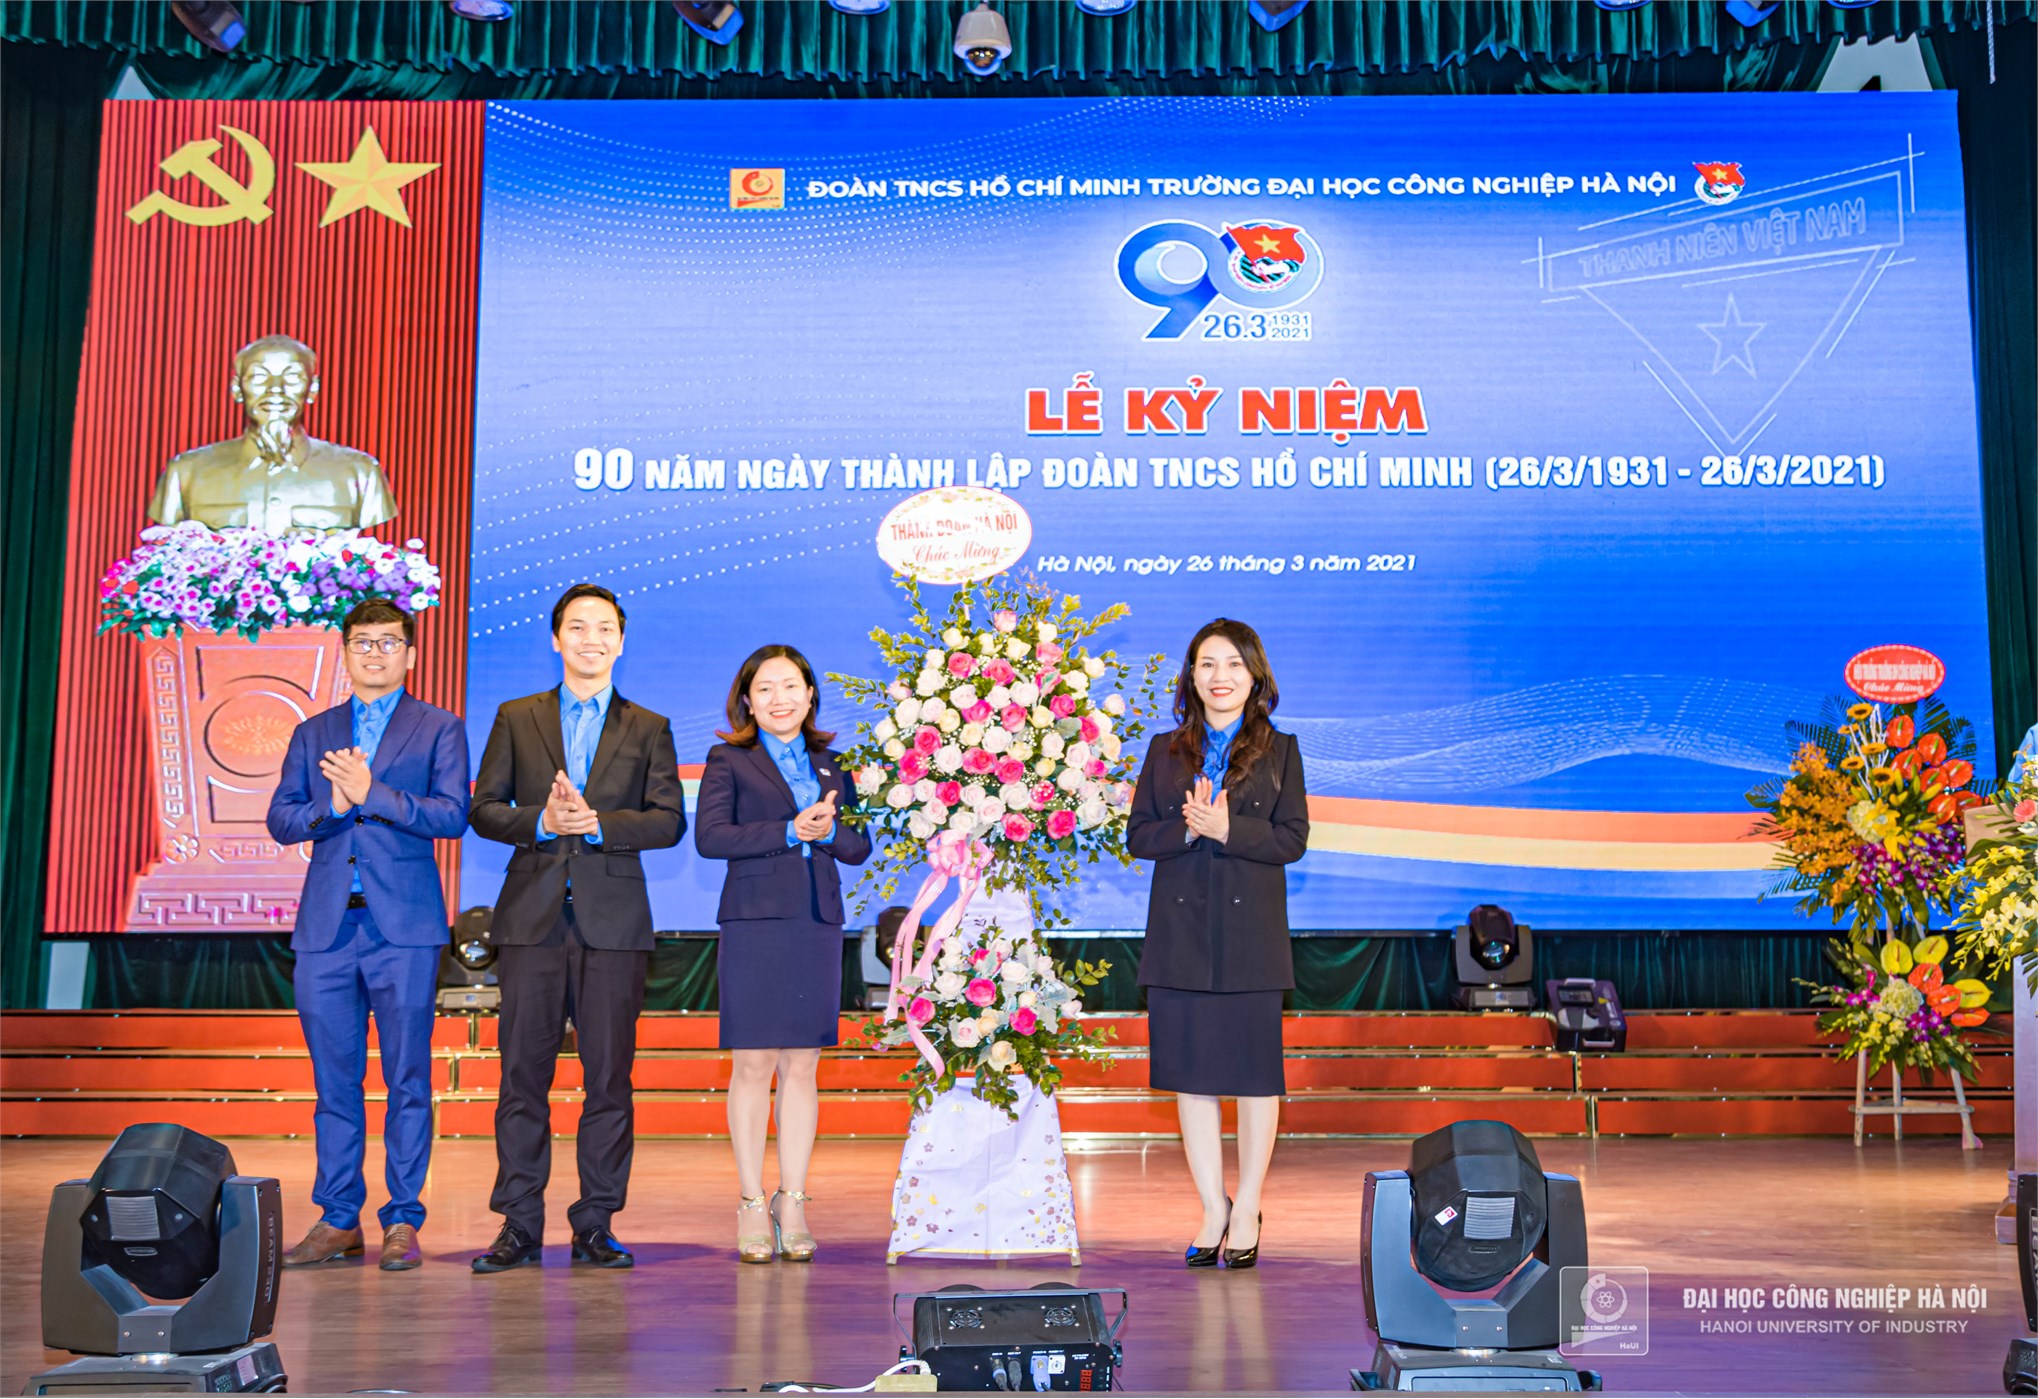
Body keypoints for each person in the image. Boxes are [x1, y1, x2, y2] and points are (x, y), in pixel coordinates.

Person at [468, 583, 685, 1272]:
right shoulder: (516, 716)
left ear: (621, 641)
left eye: (605, 628)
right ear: (556, 638)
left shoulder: (649, 726)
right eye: (578, 626)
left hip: (613, 924)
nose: (592, 639)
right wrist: (540, 820)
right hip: (530, 920)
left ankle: (596, 1222)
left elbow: (668, 820)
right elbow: (483, 808)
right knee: (521, 1078)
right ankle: (518, 1223)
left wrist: (597, 824)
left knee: (609, 1080)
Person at [265, 597, 470, 1272]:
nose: (375, 652)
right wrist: (333, 802)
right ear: (345, 652)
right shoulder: (314, 731)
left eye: (388, 642)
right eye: (362, 642)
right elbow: (283, 819)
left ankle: (403, 1218)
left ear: (410, 654)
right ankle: (337, 1217)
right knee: (334, 1083)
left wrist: (371, 792)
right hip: (327, 929)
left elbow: (451, 815)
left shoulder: (439, 727)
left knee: (408, 1077)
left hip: (404, 929)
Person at [1127, 618, 1308, 1270]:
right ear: (1191, 676)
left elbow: (1292, 839)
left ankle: (1249, 1203)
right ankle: (1212, 1206)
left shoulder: (1281, 750)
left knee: (1256, 1079)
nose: (1220, 676)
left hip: (1252, 939)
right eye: (1207, 663)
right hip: (1180, 940)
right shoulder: (1163, 750)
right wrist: (1188, 829)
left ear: (1255, 675)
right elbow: (1138, 835)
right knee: (1193, 1078)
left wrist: (1229, 829)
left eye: (1233, 663)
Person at [694, 646, 871, 1263]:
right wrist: (788, 830)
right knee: (753, 1064)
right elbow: (710, 837)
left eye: (791, 686)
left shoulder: (831, 763)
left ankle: (791, 1200)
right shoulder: (728, 759)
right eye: (765, 688)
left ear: (810, 694)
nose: (779, 698)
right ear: (747, 699)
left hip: (815, 922)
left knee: (802, 1064)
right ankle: (750, 1200)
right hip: (755, 923)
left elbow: (858, 845)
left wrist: (829, 831)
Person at [148, 334, 395, 534]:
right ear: (237, 389)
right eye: (258, 377)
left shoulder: (360, 473)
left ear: (312, 389)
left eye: (293, 377)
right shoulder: (187, 472)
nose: (275, 389)